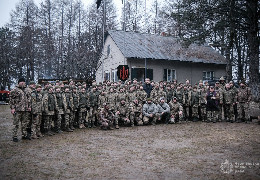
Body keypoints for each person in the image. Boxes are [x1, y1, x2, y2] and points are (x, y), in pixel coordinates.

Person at [10, 77, 31, 142]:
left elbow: (29, 99)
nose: (22, 83)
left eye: (23, 81)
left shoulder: (27, 90)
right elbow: (11, 100)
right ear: (18, 82)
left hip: (25, 109)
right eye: (21, 81)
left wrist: (29, 106)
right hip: (17, 110)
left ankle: (24, 135)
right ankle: (14, 136)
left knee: (24, 123)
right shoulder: (14, 90)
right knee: (16, 123)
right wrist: (12, 108)